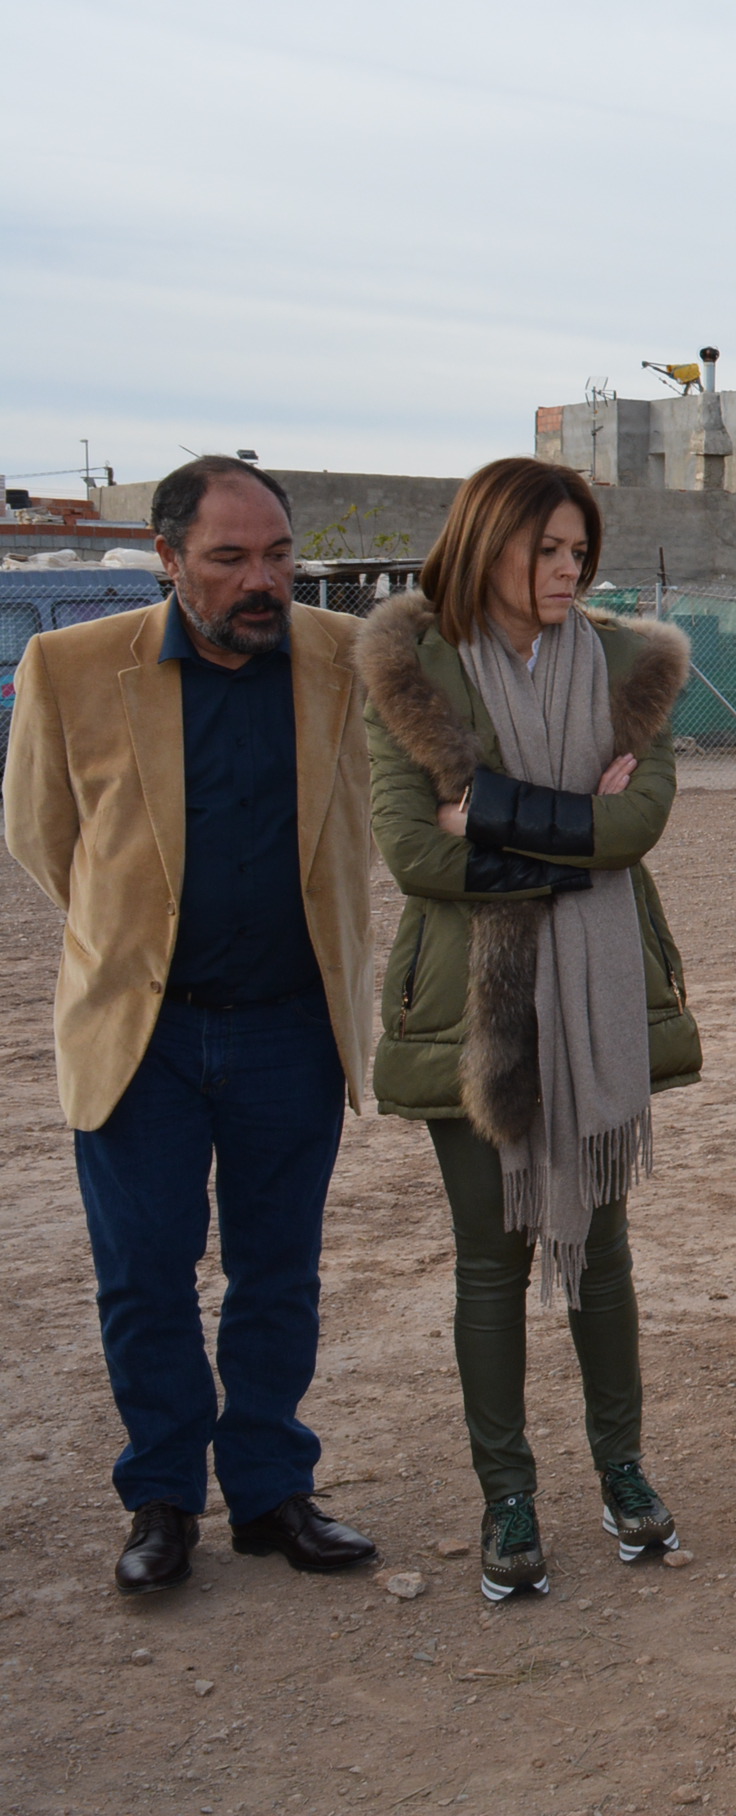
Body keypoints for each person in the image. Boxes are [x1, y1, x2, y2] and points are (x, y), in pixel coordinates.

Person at [5, 456, 382, 1592]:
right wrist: (136, 939)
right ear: (169, 561)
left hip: (290, 1029)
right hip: (143, 1036)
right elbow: (43, 836)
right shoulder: (71, 666)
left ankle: (270, 1490)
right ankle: (162, 1497)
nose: (262, 579)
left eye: (277, 554)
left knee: (279, 1273)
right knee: (146, 1274)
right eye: (229, 558)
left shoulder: (344, 659)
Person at [358, 457, 699, 1603]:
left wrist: (494, 813)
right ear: (486, 543)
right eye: (546, 548)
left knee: (603, 1258)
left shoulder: (620, 663)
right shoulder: (414, 666)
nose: (570, 568)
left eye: (579, 550)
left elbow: (637, 822)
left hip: (600, 998)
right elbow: (413, 849)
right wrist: (571, 828)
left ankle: (623, 1471)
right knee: (489, 1260)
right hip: (473, 1010)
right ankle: (507, 1494)